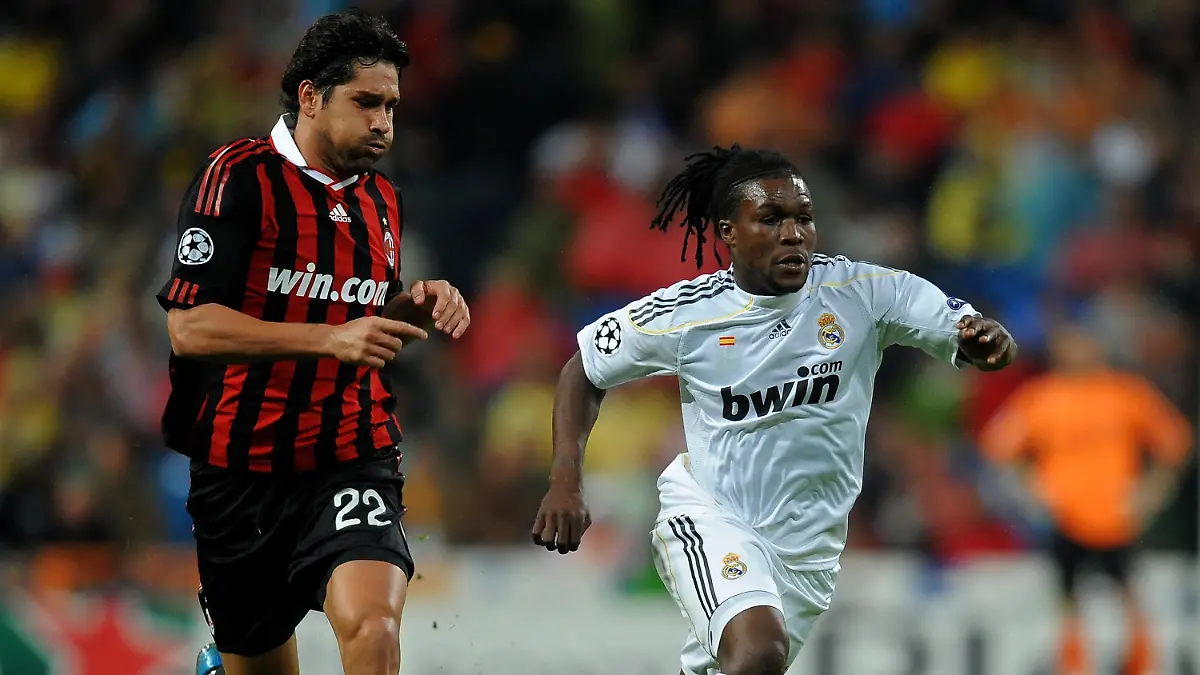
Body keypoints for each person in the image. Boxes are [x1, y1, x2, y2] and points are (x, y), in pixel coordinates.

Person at [532, 145, 1017, 675]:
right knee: (758, 651)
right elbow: (584, 370)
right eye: (771, 219)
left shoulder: (863, 292)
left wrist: (986, 341)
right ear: (729, 232)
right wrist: (565, 481)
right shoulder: (690, 315)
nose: (793, 234)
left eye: (803, 218)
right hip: (712, 517)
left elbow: (967, 332)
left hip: (809, 554)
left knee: (742, 664)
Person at [155, 10, 471, 675]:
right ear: (310, 96)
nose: (383, 122)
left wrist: (412, 308)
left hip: (350, 454)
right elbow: (189, 327)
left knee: (375, 629)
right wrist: (331, 338)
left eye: (391, 106)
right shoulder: (238, 176)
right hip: (239, 473)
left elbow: (363, 329)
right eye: (366, 102)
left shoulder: (383, 200)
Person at [980, 322, 1191, 675]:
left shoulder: (1125, 393)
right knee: (1068, 601)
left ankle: (1140, 666)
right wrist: (1031, 491)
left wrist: (1150, 494)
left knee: (1129, 599)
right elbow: (999, 448)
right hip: (1065, 519)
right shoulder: (1043, 397)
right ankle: (1075, 667)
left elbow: (1175, 444)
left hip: (1117, 520)